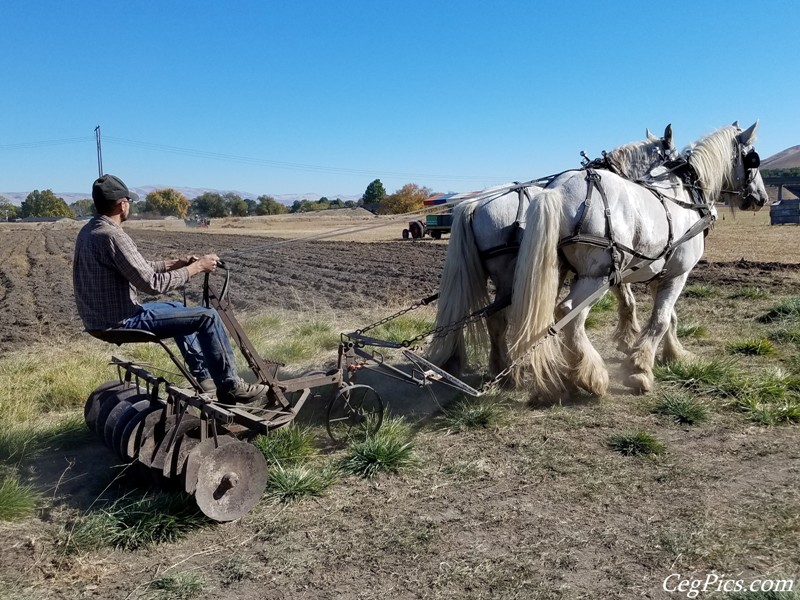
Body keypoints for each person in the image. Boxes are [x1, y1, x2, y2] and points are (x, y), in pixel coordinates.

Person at [72, 174, 266, 405]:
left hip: (100, 321)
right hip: (123, 321)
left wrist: (176, 263)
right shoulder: (113, 235)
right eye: (129, 202)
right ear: (122, 204)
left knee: (177, 308)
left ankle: (205, 380)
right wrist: (197, 267)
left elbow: (138, 268)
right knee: (208, 317)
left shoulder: (89, 231)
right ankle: (231, 386)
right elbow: (153, 285)